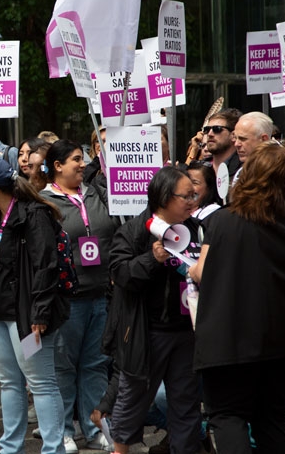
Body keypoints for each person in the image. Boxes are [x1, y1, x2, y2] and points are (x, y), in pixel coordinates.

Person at [189, 142, 285, 454]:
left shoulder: (223, 220)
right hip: (284, 339)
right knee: (273, 418)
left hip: (229, 339)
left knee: (228, 416)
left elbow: (203, 272)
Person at [0, 158, 69, 454]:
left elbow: (45, 266)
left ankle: (52, 449)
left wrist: (40, 312)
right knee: (8, 383)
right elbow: (3, 255)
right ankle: (11, 448)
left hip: (26, 314)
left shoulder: (34, 215)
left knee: (41, 383)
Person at [108, 166, 203, 454]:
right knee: (134, 397)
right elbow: (120, 275)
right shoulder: (135, 231)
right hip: (146, 332)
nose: (191, 201)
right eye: (185, 196)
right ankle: (120, 450)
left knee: (186, 403)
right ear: (163, 197)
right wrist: (152, 259)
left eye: (194, 194)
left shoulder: (197, 228)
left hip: (186, 331)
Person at [40, 140, 119, 453]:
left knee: (96, 364)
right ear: (57, 165)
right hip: (67, 299)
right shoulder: (45, 201)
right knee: (63, 367)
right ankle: (62, 431)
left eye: (83, 159)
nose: (82, 164)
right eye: (75, 159)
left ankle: (94, 426)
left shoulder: (97, 193)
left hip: (101, 293)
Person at [201, 108, 242, 180]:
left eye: (217, 129)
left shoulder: (244, 170)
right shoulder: (199, 168)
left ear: (233, 135)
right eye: (207, 129)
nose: (210, 134)